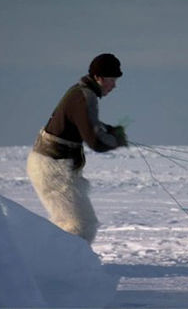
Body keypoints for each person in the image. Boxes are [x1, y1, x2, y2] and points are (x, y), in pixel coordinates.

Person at [27, 53, 127, 244]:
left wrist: (111, 131)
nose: (114, 85)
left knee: (69, 225)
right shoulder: (84, 97)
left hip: (53, 166)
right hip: (52, 168)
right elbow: (95, 141)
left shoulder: (80, 93)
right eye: (112, 79)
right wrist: (117, 140)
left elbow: (88, 125)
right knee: (81, 225)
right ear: (98, 77)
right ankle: (65, 270)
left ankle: (57, 265)